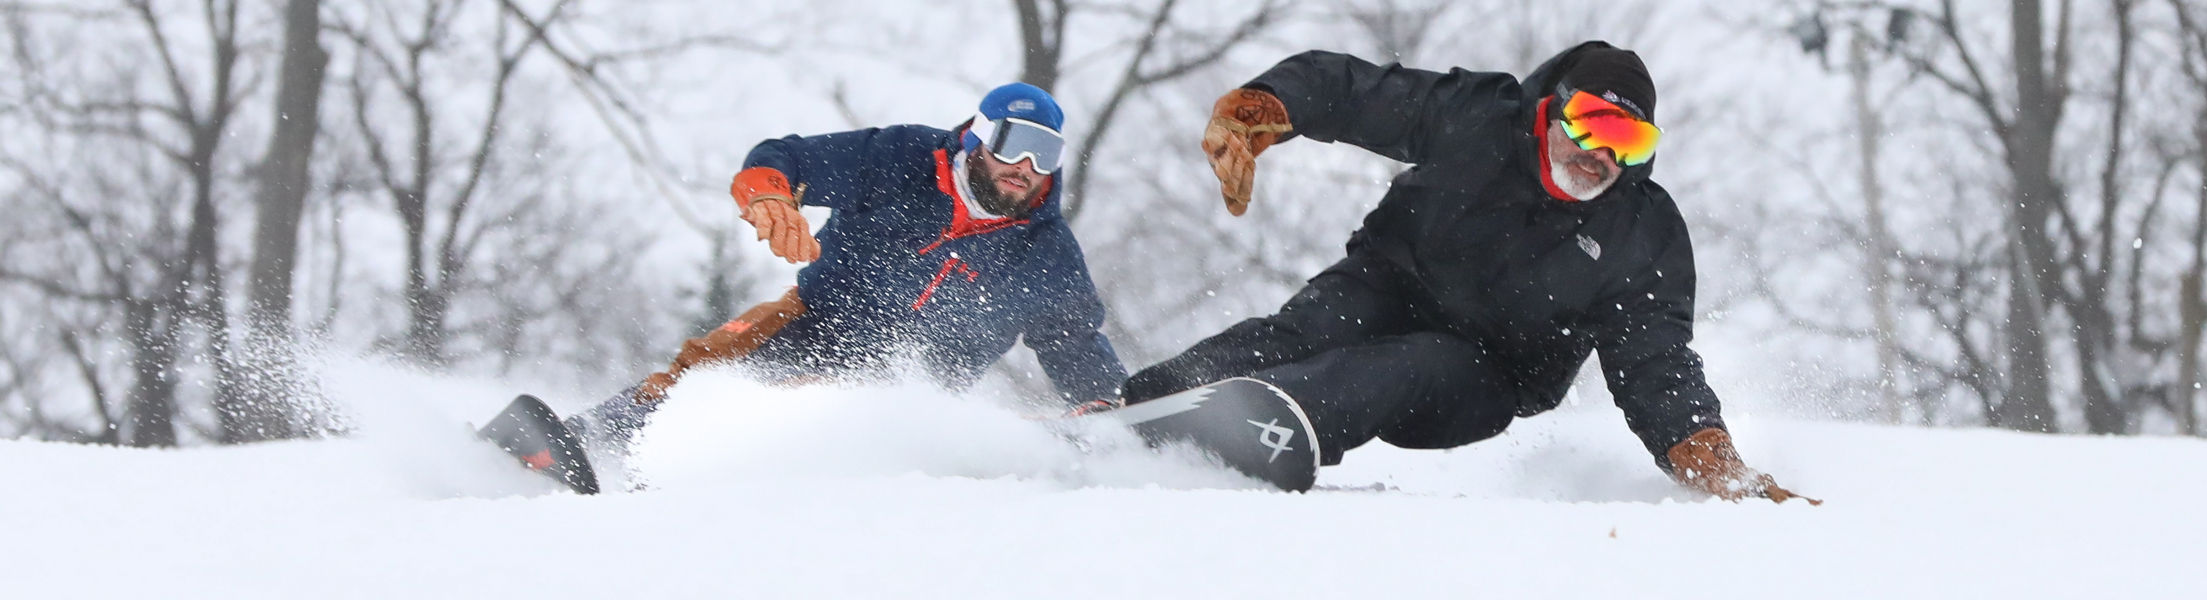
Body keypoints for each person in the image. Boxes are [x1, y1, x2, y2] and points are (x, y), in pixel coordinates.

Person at [1119, 42, 1812, 503]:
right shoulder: (1482, 117)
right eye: (1591, 123)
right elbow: (1356, 90)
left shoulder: (1641, 233)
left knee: (1415, 362)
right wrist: (1267, 108)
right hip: (1388, 280)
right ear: (1552, 112)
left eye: (1627, 141)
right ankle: (1135, 413)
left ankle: (1258, 427)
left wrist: (1707, 452)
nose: (1601, 153)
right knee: (1307, 329)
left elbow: (1654, 361)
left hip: (1489, 371)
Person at [573, 82, 1127, 445]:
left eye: (1045, 153)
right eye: (1014, 144)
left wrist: (1113, 411)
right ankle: (586, 444)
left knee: (806, 426)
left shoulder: (1046, 250)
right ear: (980, 137)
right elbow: (786, 158)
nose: (1026, 166)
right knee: (707, 376)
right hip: (817, 324)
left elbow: (1072, 342)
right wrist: (770, 192)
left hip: (917, 395)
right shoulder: (904, 158)